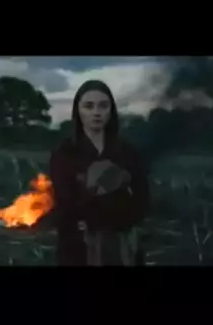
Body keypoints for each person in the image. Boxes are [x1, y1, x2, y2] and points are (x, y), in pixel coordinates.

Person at [49, 80, 150, 267]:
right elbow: (66, 204)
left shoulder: (128, 153)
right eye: (89, 106)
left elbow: (142, 201)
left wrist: (116, 218)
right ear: (78, 110)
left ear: (111, 110)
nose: (96, 112)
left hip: (122, 247)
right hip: (77, 250)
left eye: (103, 106)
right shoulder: (65, 153)